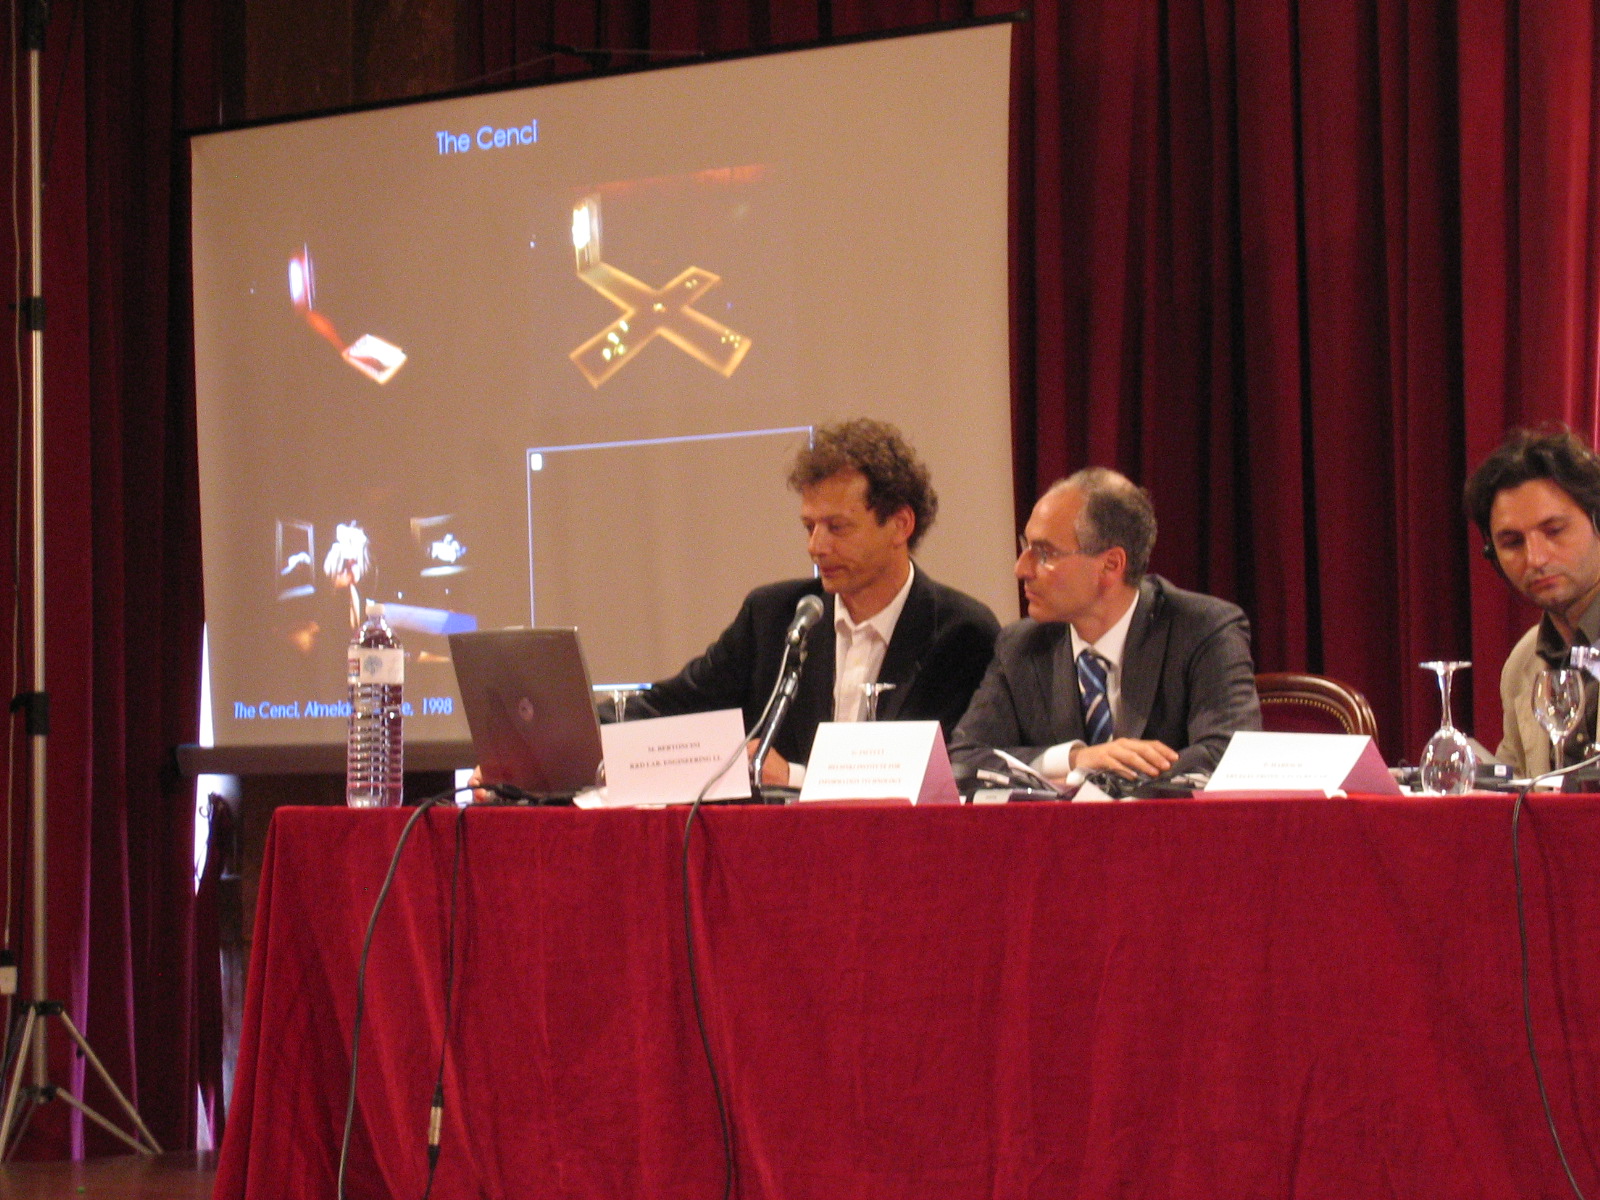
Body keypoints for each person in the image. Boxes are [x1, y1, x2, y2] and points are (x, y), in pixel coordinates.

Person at [631, 418, 1001, 785]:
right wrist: (598, 732)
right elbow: (667, 708)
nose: (815, 546)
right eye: (810, 527)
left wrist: (794, 777)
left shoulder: (961, 634)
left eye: (837, 527)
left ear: (900, 524)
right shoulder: (772, 618)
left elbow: (959, 774)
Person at [950, 468, 1260, 787]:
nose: (1021, 569)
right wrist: (1075, 759)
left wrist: (1107, 779)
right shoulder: (1020, 645)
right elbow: (964, 757)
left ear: (1110, 565)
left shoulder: (1203, 629)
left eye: (1043, 553)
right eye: (1024, 547)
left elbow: (1229, 755)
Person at [1463, 427, 1600, 776]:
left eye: (1554, 531)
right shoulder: (1522, 662)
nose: (1535, 558)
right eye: (1512, 542)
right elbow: (1516, 795)